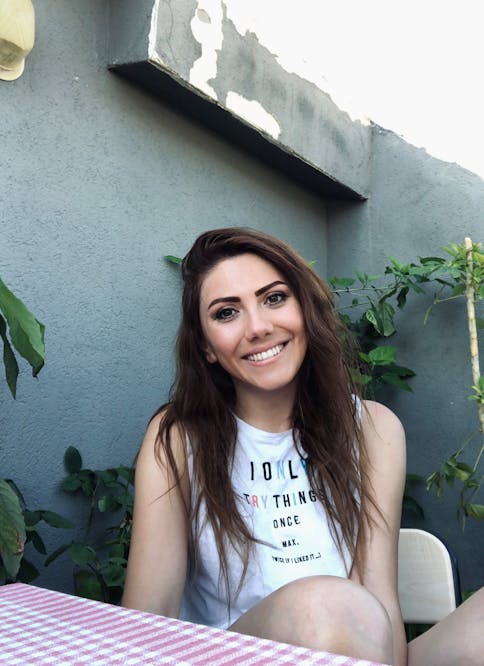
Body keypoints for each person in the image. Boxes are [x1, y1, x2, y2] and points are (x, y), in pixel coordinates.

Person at [122, 227, 483, 666]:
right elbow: (148, 617)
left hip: (359, 650)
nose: (258, 327)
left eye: (274, 298)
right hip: (228, 656)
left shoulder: (372, 428)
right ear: (206, 347)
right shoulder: (179, 438)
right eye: (226, 313)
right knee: (327, 606)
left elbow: (378, 596)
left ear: (304, 310)